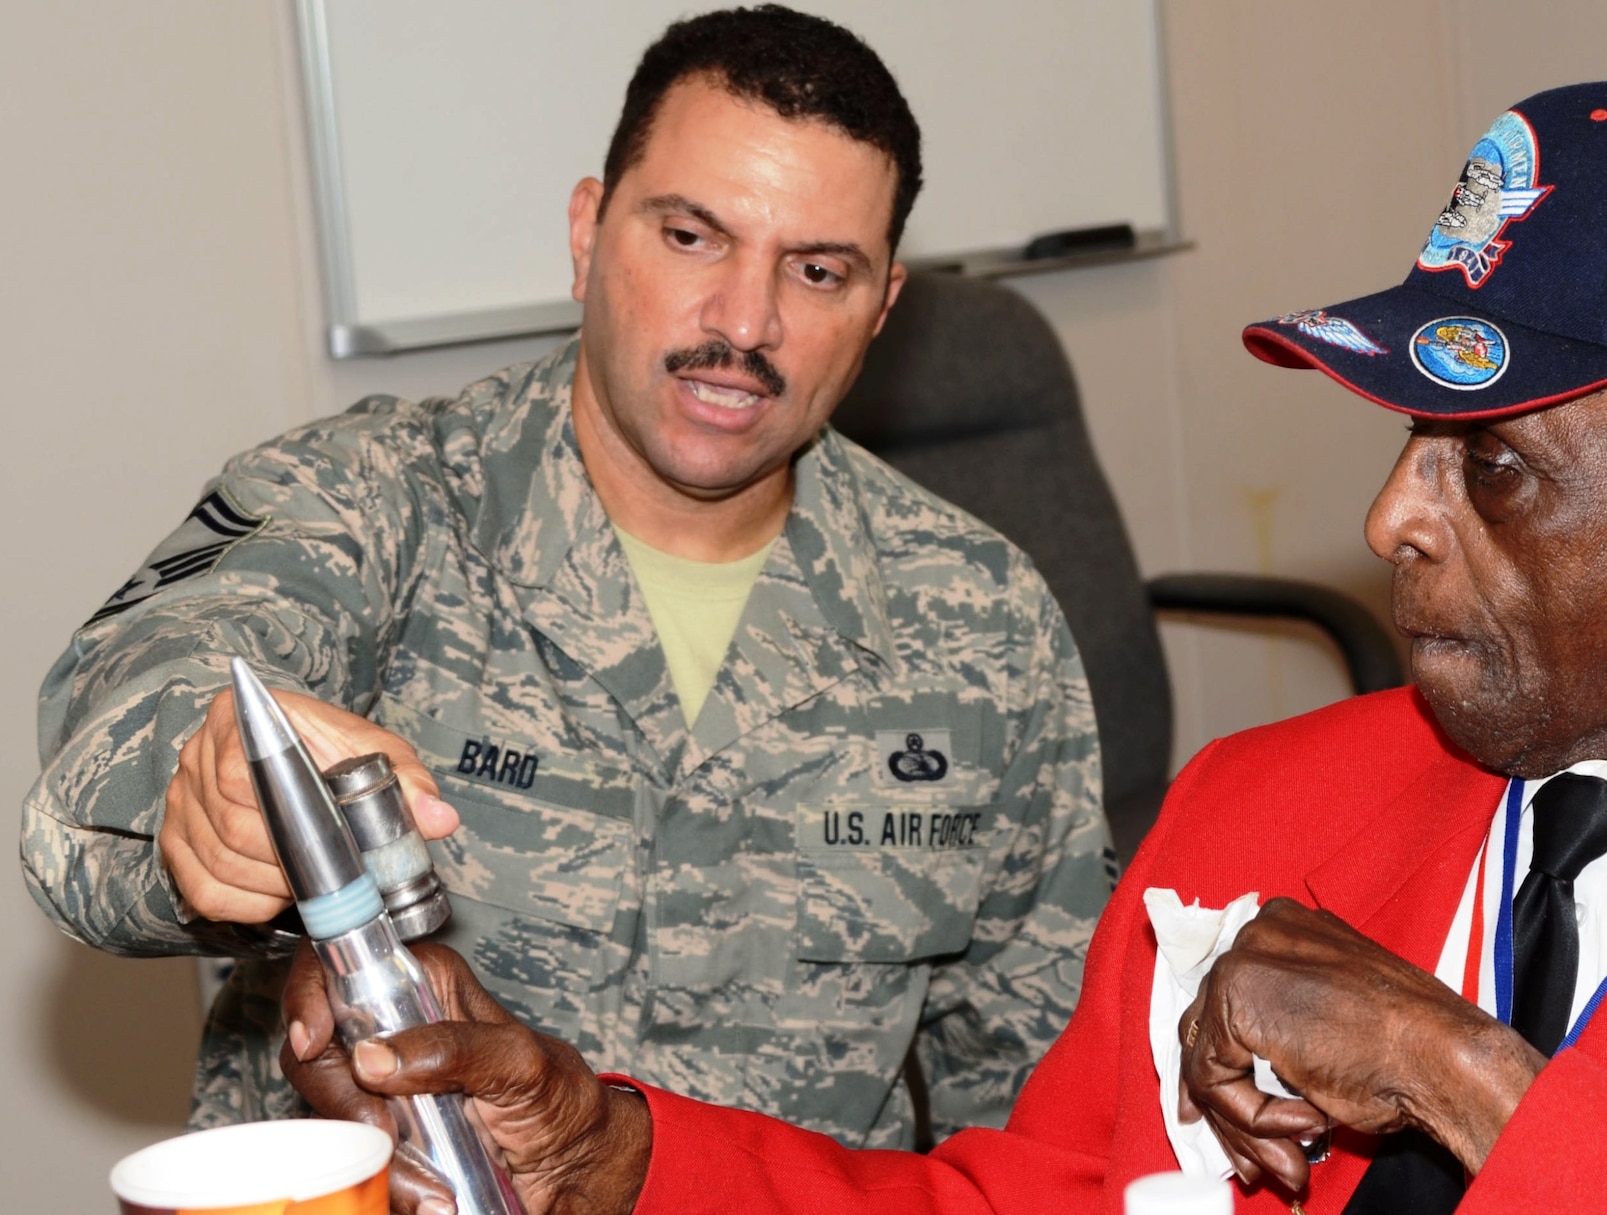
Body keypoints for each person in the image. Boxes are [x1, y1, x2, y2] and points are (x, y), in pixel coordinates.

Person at [282, 76, 1607, 1214]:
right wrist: (613, 1147)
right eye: (1404, 438)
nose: (1399, 518)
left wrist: (1456, 1073)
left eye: (1495, 467)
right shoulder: (1266, 806)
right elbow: (1036, 1199)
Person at [20, 5, 1111, 1149]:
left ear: (881, 305)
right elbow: (129, 723)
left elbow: (1049, 1097)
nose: (745, 322)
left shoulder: (981, 618)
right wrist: (206, 774)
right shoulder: (375, 498)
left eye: (818, 271)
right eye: (690, 237)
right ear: (588, 233)